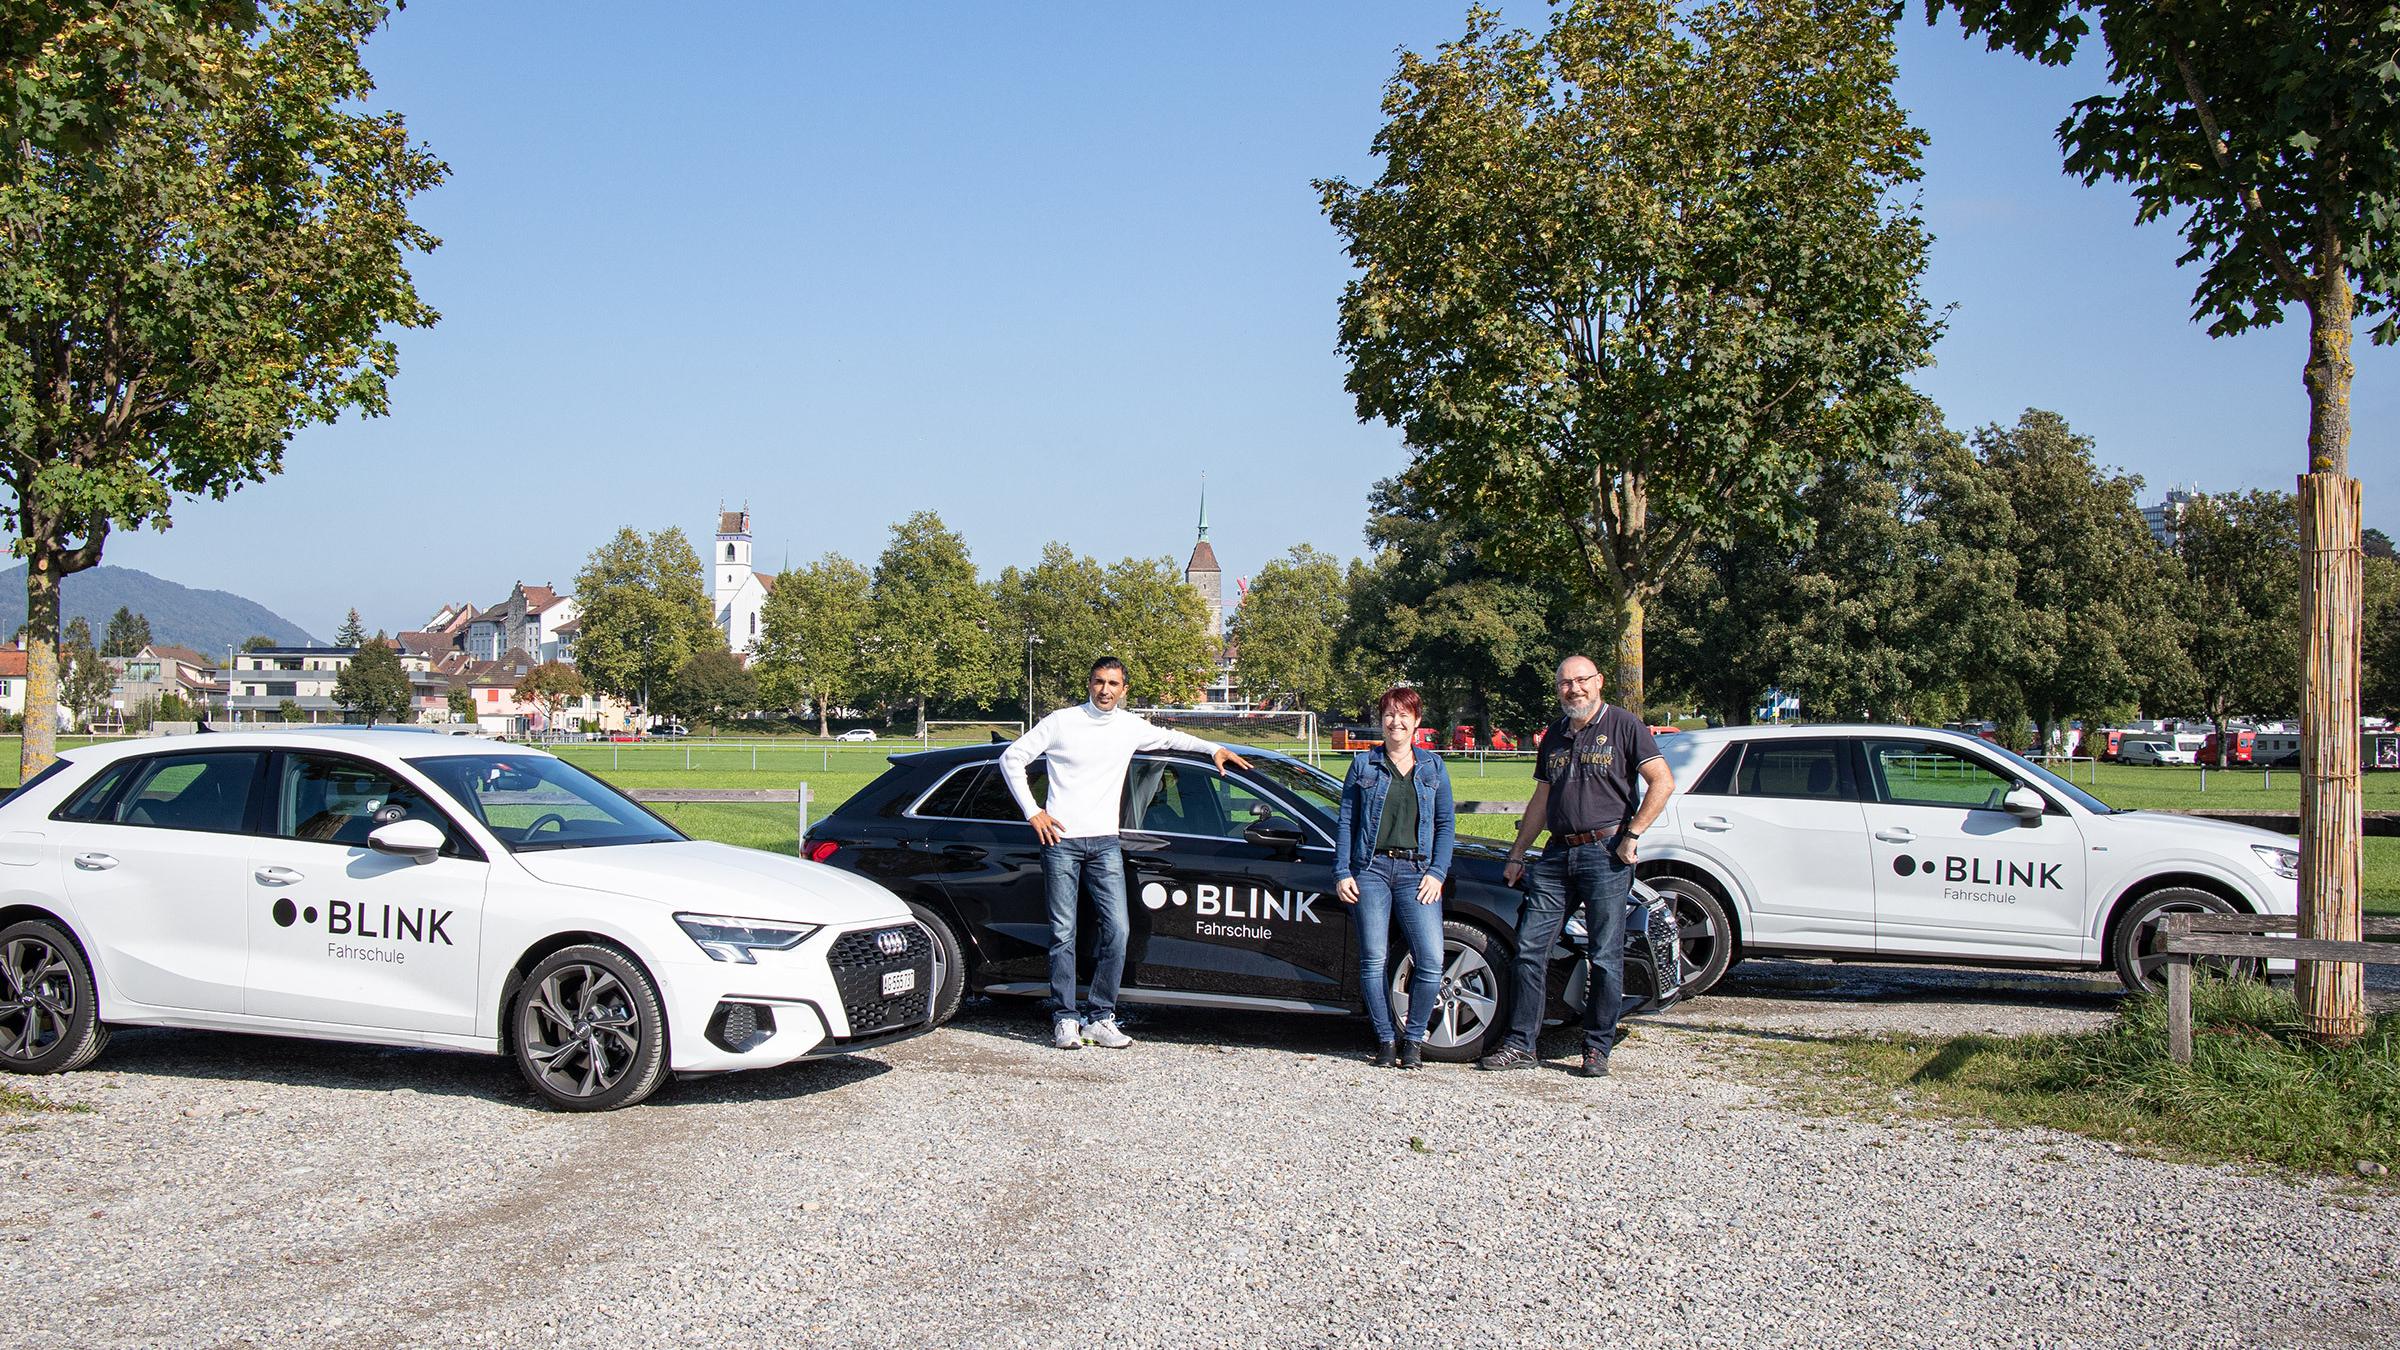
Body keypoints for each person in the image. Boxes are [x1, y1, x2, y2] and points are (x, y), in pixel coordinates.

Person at [999, 656, 1250, 1050]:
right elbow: (1011, 758)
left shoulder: (1129, 727)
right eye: (1099, 681)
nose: (1105, 689)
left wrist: (1213, 748)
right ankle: (1065, 1017)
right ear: (1089, 682)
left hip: (1105, 843)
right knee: (1063, 933)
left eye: (1113, 683)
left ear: (1124, 689)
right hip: (1060, 842)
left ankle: (1100, 1016)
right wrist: (1034, 812)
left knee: (1118, 930)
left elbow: (1173, 738)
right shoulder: (1062, 722)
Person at [1478, 655, 1674, 1078]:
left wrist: (1633, 835)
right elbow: (1542, 801)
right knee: (1529, 950)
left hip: (1606, 854)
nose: (1574, 690)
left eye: (1581, 681)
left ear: (1599, 682)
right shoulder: (1554, 734)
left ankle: (1597, 1047)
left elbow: (1663, 781)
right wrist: (1517, 854)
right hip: (1555, 855)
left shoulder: (1624, 725)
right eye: (1565, 684)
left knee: (1605, 956)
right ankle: (1521, 1044)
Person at [1333, 686, 1455, 1070]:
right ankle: (1386, 1040)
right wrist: (1342, 871)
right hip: (1370, 871)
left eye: (1404, 715)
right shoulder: (1364, 765)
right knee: (1373, 960)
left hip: (1417, 873)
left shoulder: (1433, 767)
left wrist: (1437, 872)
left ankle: (1414, 1040)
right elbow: (1346, 822)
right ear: (1380, 720)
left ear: (1417, 721)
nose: (1395, 722)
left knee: (1432, 959)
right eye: (1389, 715)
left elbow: (1446, 824)